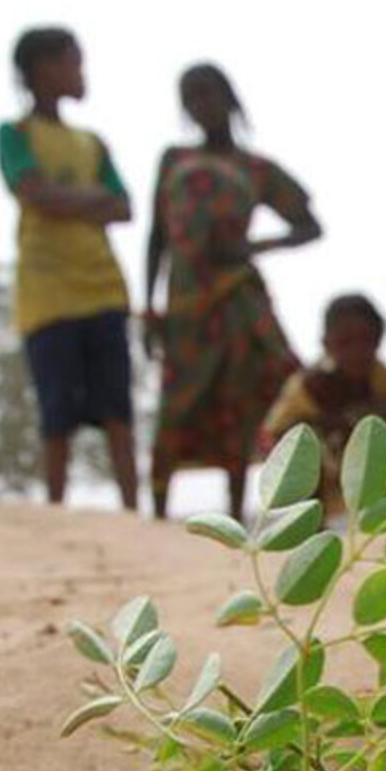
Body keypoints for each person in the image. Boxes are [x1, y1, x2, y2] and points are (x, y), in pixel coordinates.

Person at [143, 63, 322, 520]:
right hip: (184, 299)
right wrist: (148, 306)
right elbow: (157, 237)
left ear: (229, 97)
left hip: (236, 294)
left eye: (208, 93)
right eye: (191, 97)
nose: (201, 105)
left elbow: (309, 224)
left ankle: (238, 507)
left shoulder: (255, 168)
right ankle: (157, 512)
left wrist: (253, 246)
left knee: (239, 396)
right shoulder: (174, 159)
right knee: (179, 399)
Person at [0, 27, 137, 509]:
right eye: (73, 61)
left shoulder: (92, 143)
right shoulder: (14, 135)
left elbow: (123, 207)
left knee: (118, 408)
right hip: (46, 293)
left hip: (103, 287)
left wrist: (69, 200)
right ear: (41, 69)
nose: (81, 72)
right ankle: (56, 518)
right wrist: (92, 198)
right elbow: (33, 192)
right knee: (56, 413)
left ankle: (131, 513)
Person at [260, 295, 386, 511]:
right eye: (345, 342)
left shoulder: (379, 374)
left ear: (379, 339)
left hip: (356, 455)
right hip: (317, 459)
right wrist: (334, 423)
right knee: (310, 449)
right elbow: (277, 431)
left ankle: (381, 515)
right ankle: (310, 521)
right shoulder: (310, 383)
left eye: (366, 340)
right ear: (327, 344)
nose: (356, 351)